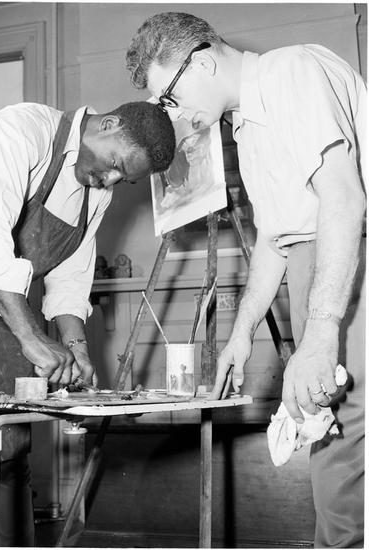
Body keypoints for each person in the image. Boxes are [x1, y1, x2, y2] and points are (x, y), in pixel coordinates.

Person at [126, 12, 366, 548]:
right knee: (333, 454)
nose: (172, 115)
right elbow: (274, 241)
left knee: (346, 454)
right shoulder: (244, 124)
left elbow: (345, 199)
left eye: (169, 97)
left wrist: (322, 331)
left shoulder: (291, 72)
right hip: (313, 268)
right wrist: (242, 332)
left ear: (202, 62)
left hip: (347, 267)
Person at [0, 99, 175, 546]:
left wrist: (76, 348)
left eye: (124, 179)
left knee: (10, 457)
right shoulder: (23, 130)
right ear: (108, 124)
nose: (112, 180)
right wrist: (29, 335)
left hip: (11, 309)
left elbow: (70, 277)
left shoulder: (97, 192)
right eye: (116, 164)